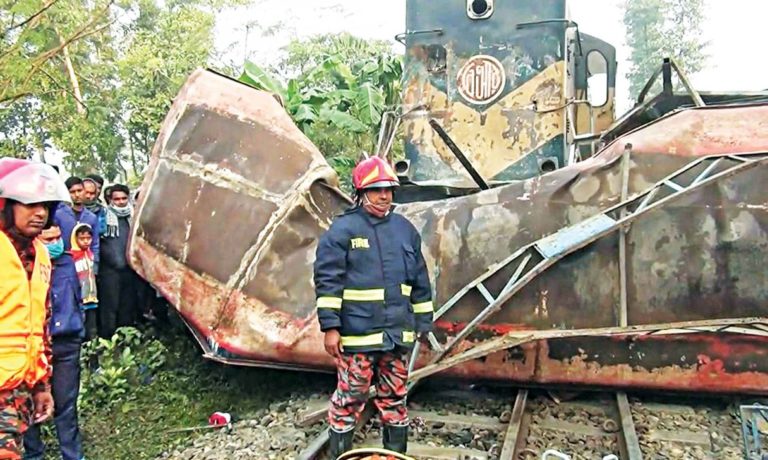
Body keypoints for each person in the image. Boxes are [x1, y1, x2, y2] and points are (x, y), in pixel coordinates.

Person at [313, 156, 434, 457]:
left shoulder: (405, 230)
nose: (384, 196)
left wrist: (423, 325)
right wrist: (331, 328)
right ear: (360, 192)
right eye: (377, 189)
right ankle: (340, 454)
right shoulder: (342, 231)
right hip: (357, 338)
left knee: (395, 398)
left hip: (395, 336)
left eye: (389, 190)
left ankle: (394, 455)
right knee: (350, 399)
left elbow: (420, 281)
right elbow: (328, 283)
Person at [0, 158, 67, 459]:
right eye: (30, 204)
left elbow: (41, 327)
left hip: (20, 387)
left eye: (45, 206)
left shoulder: (39, 253)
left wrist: (42, 386)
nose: (40, 213)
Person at [24, 223, 86, 458]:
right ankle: (34, 454)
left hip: (66, 343)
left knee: (66, 405)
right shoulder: (27, 266)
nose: (55, 244)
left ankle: (72, 455)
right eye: (48, 240)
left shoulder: (69, 262)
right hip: (35, 347)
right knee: (31, 406)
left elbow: (80, 297)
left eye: (58, 238)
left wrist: (78, 330)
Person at [99, 184, 139, 337]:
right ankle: (108, 338)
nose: (121, 202)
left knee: (127, 304)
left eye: (124, 198)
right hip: (110, 269)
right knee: (110, 306)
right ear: (110, 200)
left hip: (129, 268)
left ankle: (126, 337)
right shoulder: (104, 217)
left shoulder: (133, 216)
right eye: (117, 199)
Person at [71, 223, 99, 341]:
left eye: (88, 238)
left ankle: (92, 350)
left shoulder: (90, 254)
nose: (86, 241)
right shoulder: (72, 256)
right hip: (79, 299)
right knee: (80, 326)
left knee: (91, 327)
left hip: (91, 297)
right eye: (82, 239)